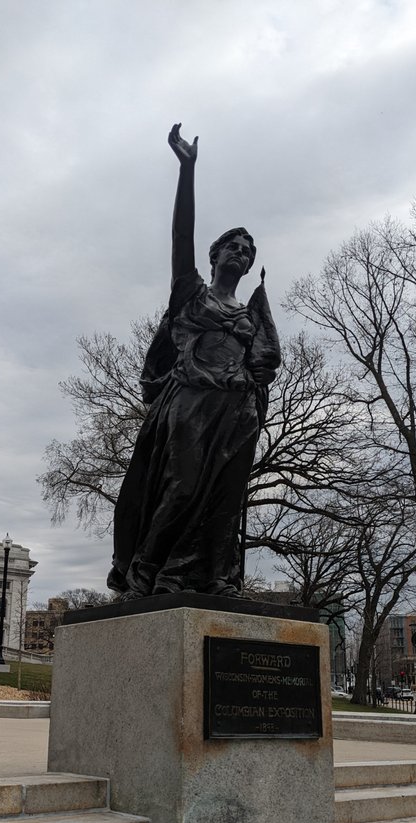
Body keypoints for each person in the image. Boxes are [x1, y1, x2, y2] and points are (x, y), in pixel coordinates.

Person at [107, 124, 281, 600]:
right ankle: (146, 568)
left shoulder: (250, 315)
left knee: (226, 500)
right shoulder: (189, 292)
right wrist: (188, 171)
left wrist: (257, 377)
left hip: (237, 410)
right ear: (215, 255)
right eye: (233, 247)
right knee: (181, 487)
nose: (241, 254)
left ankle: (214, 578)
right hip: (189, 402)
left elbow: (266, 363)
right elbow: (180, 231)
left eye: (247, 252)